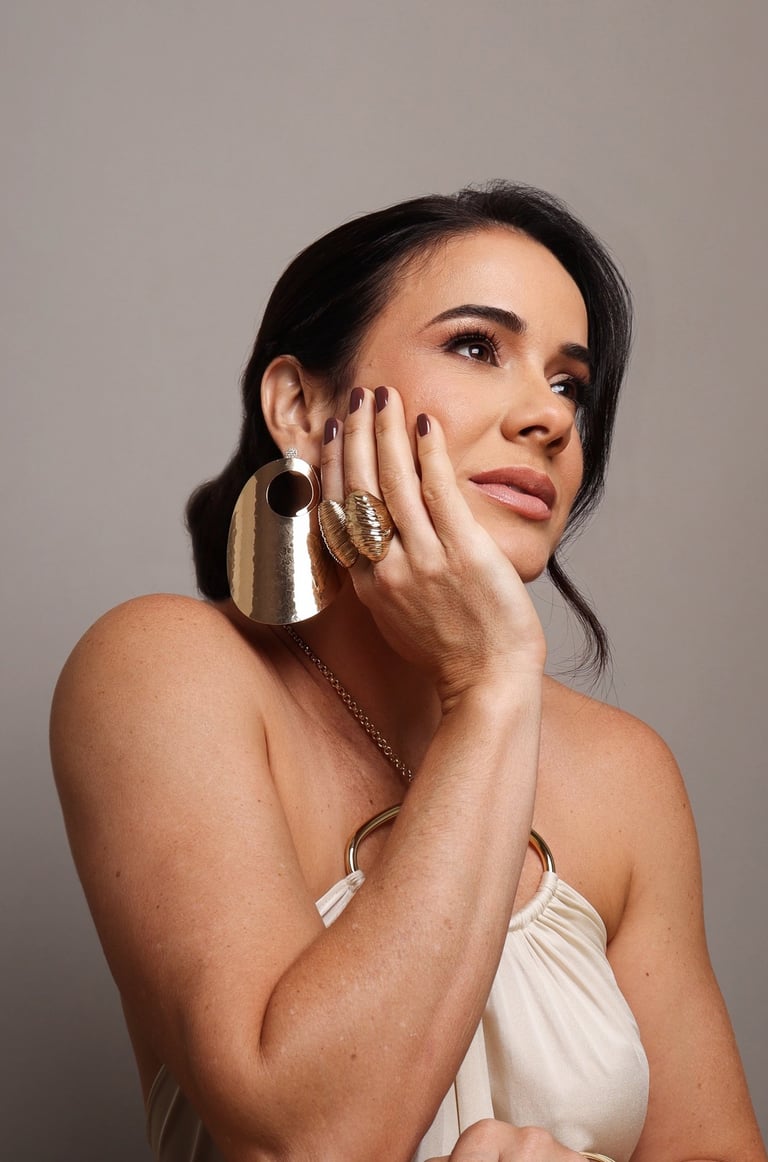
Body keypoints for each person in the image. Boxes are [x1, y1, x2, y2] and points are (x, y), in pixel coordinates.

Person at [51, 182, 766, 1162]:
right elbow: (308, 1137)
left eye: (570, 384)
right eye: (477, 346)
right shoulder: (168, 672)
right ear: (300, 405)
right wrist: (492, 683)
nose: (550, 419)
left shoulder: (624, 775)